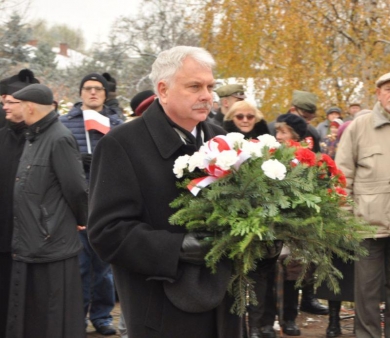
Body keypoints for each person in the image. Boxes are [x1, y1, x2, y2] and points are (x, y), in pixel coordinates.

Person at [88, 45, 242, 338]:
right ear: (163, 89)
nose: (207, 95)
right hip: (161, 308)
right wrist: (179, 247)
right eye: (194, 86)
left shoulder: (222, 138)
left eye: (210, 86)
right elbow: (107, 232)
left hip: (224, 302)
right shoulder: (122, 144)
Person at [6, 83, 88, 338]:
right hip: (30, 241)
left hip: (50, 243)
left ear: (29, 107)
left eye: (15, 103)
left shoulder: (59, 137)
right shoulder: (35, 135)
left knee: (52, 318)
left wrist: (80, 218)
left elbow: (76, 188)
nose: (8, 108)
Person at [60, 73, 122, 336]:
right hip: (77, 204)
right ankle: (78, 315)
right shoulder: (64, 124)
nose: (93, 93)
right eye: (88, 88)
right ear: (81, 92)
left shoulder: (118, 124)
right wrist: (78, 161)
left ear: (106, 94)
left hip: (107, 203)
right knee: (80, 267)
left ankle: (102, 316)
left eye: (98, 89)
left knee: (104, 268)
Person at [335, 72, 390, 338]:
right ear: (378, 94)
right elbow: (342, 175)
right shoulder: (359, 127)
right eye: (388, 89)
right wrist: (345, 217)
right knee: (366, 291)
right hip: (366, 225)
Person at [0, 69, 38, 338]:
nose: (6, 107)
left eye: (11, 102)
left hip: (31, 235)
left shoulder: (44, 137)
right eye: (5, 102)